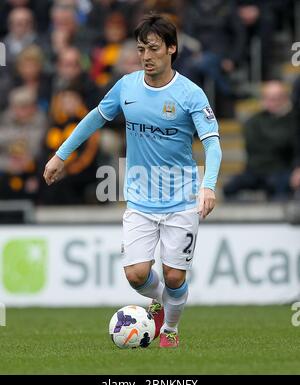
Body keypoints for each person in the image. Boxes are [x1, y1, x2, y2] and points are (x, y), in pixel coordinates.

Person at [43, 14, 222, 348]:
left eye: (153, 49)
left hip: (181, 198)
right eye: (141, 49)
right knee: (136, 275)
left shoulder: (190, 94)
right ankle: (158, 301)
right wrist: (61, 155)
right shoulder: (127, 86)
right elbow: (95, 117)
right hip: (140, 199)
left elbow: (212, 143)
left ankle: (169, 329)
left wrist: (207, 185)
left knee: (174, 276)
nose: (146, 56)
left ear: (171, 48)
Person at [223, 80, 297, 201]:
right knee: (229, 188)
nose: (272, 102)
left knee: (280, 191)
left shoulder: (293, 120)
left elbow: (289, 145)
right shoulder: (253, 121)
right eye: (269, 98)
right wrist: (279, 142)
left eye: (276, 98)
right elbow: (255, 145)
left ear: (284, 99)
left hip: (281, 170)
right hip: (255, 171)